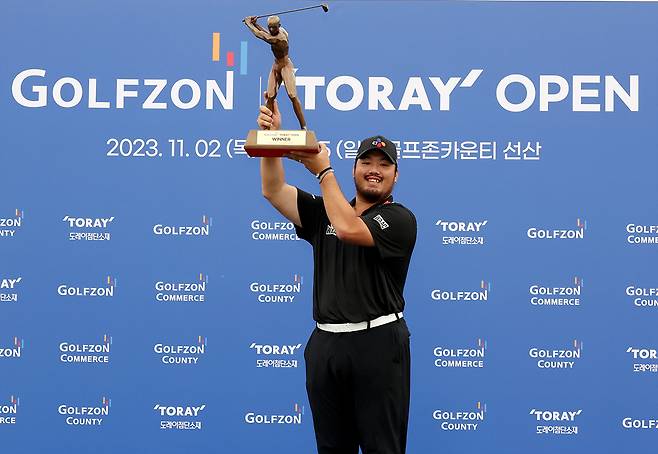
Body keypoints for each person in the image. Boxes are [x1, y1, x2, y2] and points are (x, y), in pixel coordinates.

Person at [257, 95, 417, 454]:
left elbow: (348, 228)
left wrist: (323, 171)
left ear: (396, 175)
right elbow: (273, 190)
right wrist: (271, 142)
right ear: (354, 169)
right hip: (326, 346)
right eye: (366, 162)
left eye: (384, 165)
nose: (374, 170)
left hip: (378, 343)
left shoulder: (400, 219)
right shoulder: (325, 211)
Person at [245, 15, 307, 129]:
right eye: (270, 27)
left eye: (274, 27)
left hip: (285, 66)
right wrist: (256, 24)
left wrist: (249, 24)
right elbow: (266, 32)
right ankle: (268, 128)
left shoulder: (280, 38)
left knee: (292, 96)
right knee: (270, 96)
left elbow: (262, 36)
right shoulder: (272, 33)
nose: (272, 30)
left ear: (279, 26)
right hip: (276, 65)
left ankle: (303, 126)